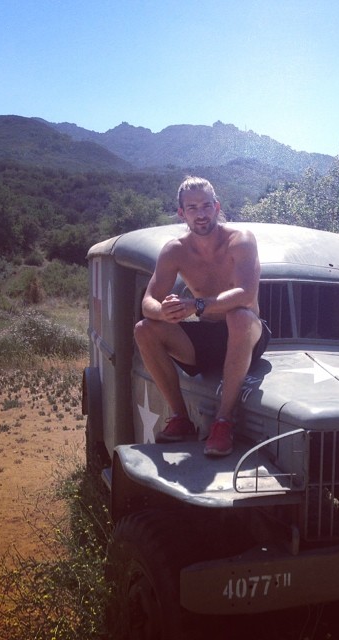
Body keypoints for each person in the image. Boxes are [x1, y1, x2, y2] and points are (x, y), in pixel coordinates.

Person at [134, 176, 269, 456]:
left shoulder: (240, 240)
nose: (202, 214)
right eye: (193, 208)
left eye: (207, 205)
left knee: (239, 317)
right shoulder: (175, 250)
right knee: (144, 329)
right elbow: (148, 301)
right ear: (182, 213)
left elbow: (245, 294)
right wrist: (164, 311)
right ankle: (181, 418)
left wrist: (195, 305)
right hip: (207, 338)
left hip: (247, 335)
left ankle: (223, 421)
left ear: (217, 207)